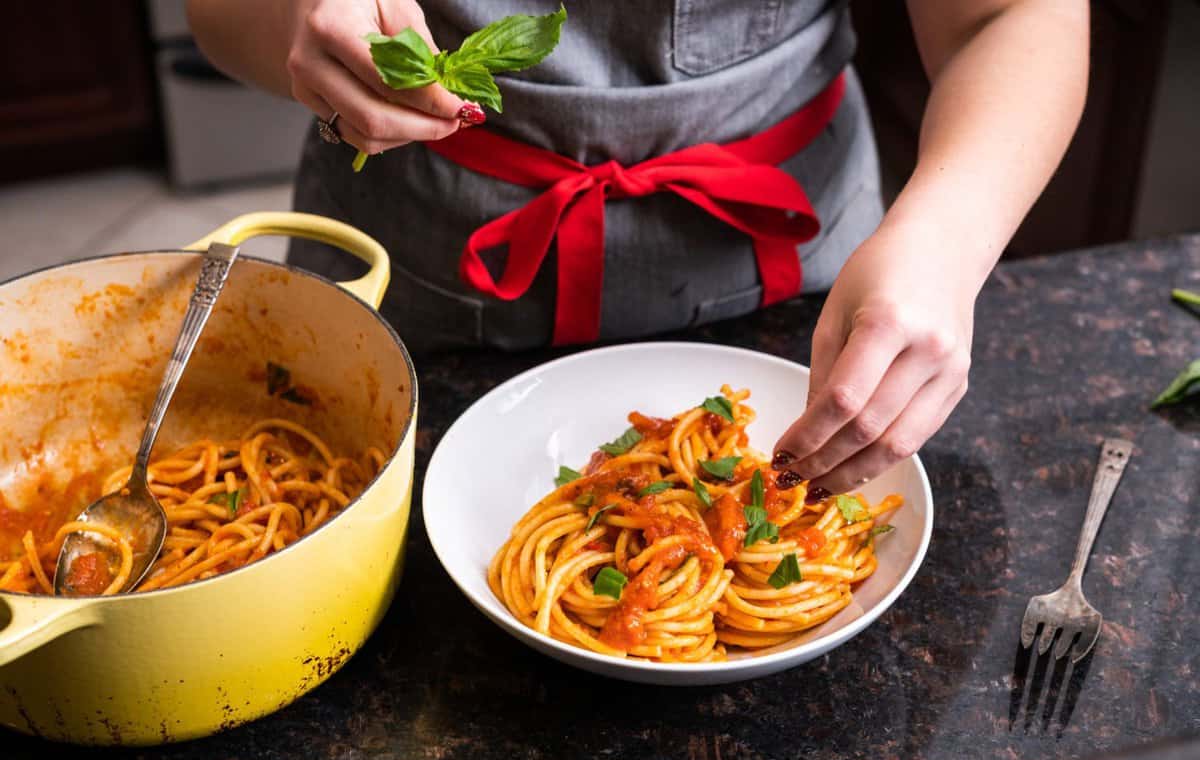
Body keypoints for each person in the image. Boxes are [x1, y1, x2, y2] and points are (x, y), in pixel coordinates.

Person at [187, 0, 1088, 493]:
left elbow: (1009, 15)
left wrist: (944, 242)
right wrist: (294, 22)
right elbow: (218, 11)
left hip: (804, 276)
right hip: (420, 263)